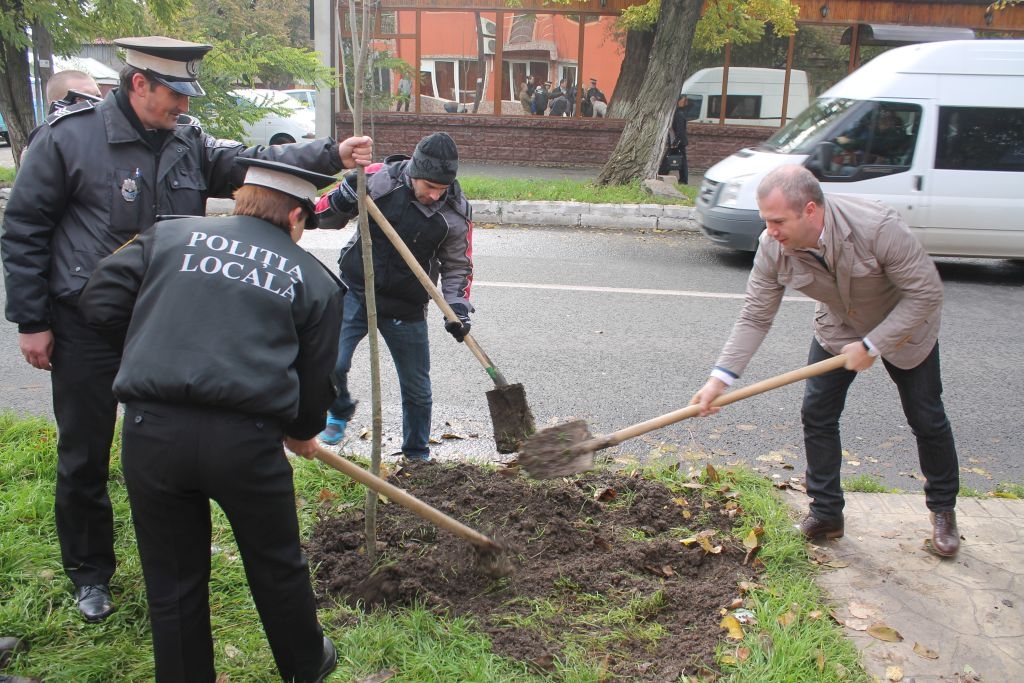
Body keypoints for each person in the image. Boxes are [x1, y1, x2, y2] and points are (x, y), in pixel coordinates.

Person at [0, 34, 373, 624]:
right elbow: (24, 229)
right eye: (175, 95)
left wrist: (330, 154)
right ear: (138, 83)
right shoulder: (68, 140)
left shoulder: (186, 143)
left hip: (166, 323)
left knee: (165, 443)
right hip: (85, 326)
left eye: (186, 96)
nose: (185, 107)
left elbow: (252, 167)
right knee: (84, 453)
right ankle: (91, 573)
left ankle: (170, 565)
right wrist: (33, 320)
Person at [78, 158, 343, 682]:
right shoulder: (314, 280)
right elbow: (315, 380)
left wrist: (152, 347)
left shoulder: (167, 236)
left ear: (240, 202)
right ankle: (305, 665)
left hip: (152, 432)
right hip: (245, 444)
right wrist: (302, 429)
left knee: (172, 575)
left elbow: (99, 303)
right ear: (296, 217)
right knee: (276, 563)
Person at [690, 165, 960, 557]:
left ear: (811, 211)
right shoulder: (772, 246)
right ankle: (827, 513)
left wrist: (873, 345)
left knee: (926, 417)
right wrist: (719, 380)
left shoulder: (876, 227)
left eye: (778, 220)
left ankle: (943, 511)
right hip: (839, 328)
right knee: (817, 413)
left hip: (904, 328)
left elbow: (926, 292)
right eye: (766, 220)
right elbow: (755, 315)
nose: (771, 230)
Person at [314, 132, 474, 462]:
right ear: (414, 172)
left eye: (442, 188)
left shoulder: (455, 211)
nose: (434, 194)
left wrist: (456, 309)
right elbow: (321, 216)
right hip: (357, 291)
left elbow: (458, 264)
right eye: (429, 186)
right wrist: (343, 197)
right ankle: (340, 407)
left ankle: (416, 455)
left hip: (407, 305)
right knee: (330, 363)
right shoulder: (376, 180)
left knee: (417, 390)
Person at [669, 95, 689, 184]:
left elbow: (680, 130)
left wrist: (676, 142)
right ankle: (683, 179)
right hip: (678, 140)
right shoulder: (678, 113)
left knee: (681, 160)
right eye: (683, 101)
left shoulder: (679, 114)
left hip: (679, 141)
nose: (685, 103)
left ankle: (684, 179)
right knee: (677, 159)